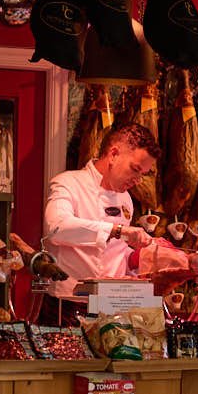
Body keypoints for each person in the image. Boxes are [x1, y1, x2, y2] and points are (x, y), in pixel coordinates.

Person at [42, 120, 159, 302]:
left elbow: (114, 253)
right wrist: (117, 230)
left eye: (142, 174)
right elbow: (56, 227)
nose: (138, 180)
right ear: (113, 154)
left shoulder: (125, 199)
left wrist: (137, 257)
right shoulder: (68, 183)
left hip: (111, 303)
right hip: (67, 303)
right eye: (135, 169)